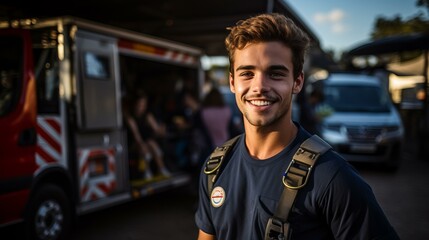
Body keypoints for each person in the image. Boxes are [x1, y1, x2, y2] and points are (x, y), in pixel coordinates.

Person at [195, 13, 399, 240]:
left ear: (298, 82)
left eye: (275, 74)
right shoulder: (215, 167)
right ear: (232, 82)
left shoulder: (332, 178)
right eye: (247, 73)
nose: (259, 86)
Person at [124, 91, 171, 179]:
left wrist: (162, 129)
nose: (141, 108)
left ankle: (162, 169)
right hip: (133, 143)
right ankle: (146, 171)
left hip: (147, 142)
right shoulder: (130, 118)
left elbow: (157, 129)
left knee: (152, 144)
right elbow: (136, 135)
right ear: (134, 105)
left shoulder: (147, 116)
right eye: (139, 105)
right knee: (143, 147)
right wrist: (142, 144)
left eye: (143, 105)